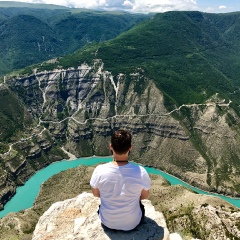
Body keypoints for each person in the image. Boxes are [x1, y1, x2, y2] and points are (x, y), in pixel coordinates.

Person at [90, 129, 151, 231]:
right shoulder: (141, 172)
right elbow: (144, 196)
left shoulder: (99, 171)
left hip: (107, 222)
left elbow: (96, 194)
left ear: (111, 146)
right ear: (130, 148)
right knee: (141, 206)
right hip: (133, 224)